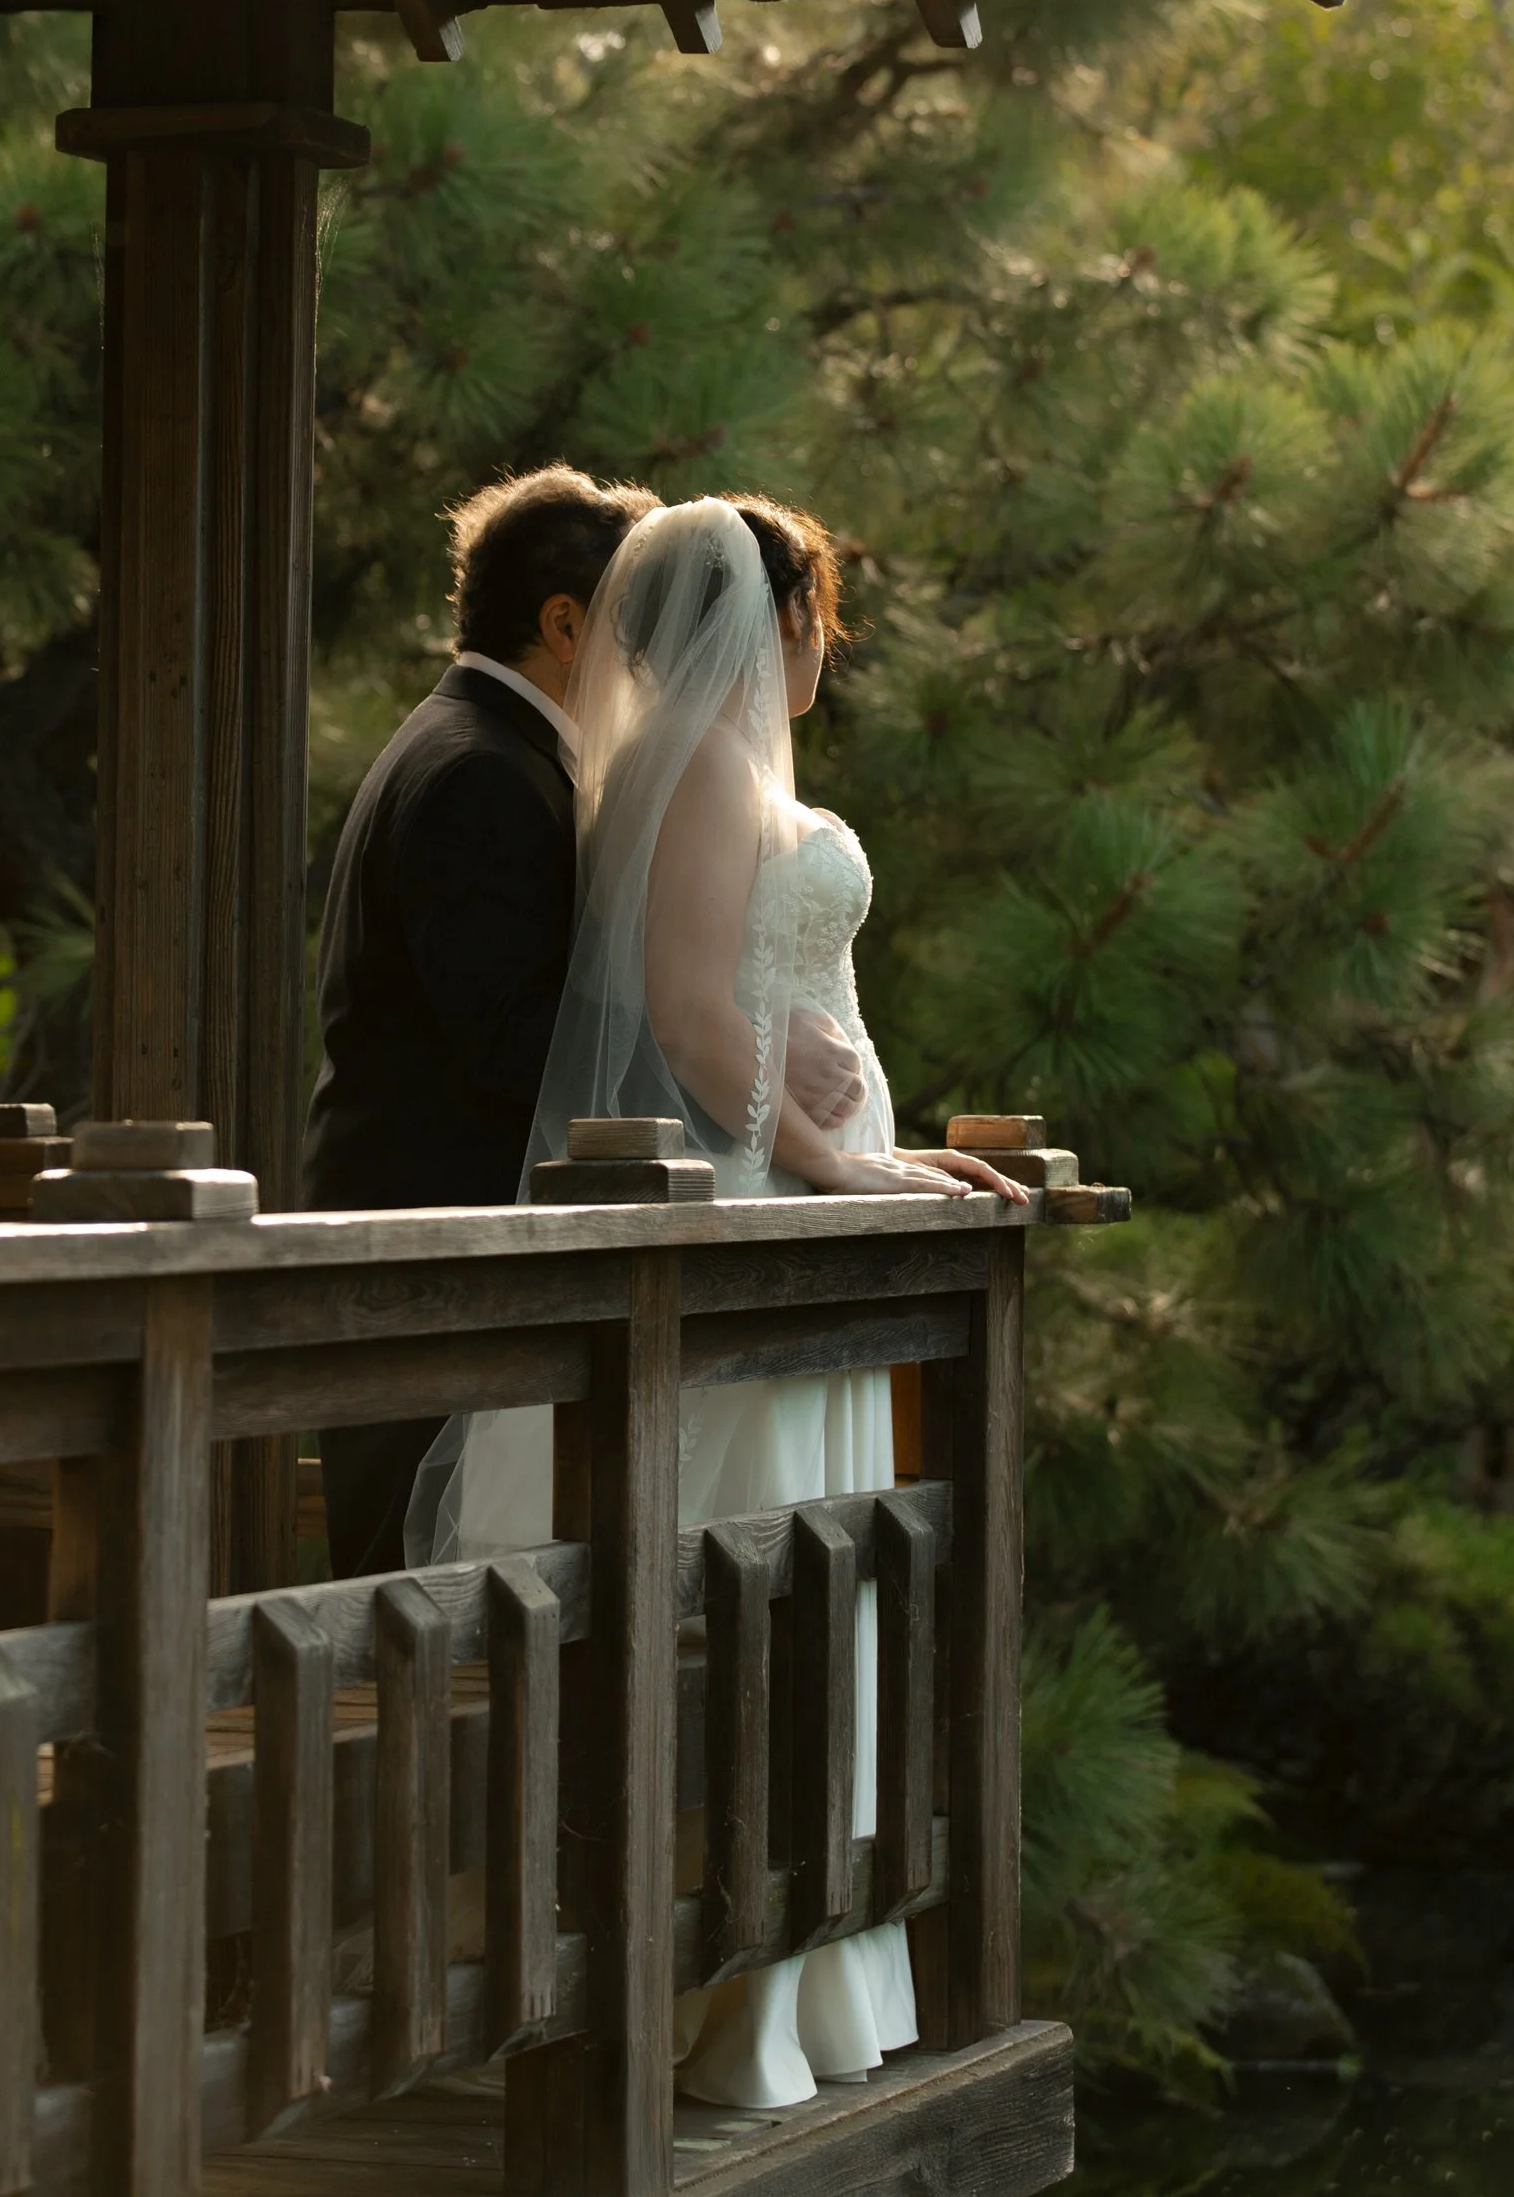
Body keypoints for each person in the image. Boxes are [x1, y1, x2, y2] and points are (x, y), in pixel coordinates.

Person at [418, 493, 1026, 2107]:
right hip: (760, 1235)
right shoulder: (691, 766)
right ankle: (713, 2003)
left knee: (819, 1594)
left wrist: (855, 1149)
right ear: (776, 617)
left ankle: (797, 1987)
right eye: (822, 607)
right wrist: (840, 1161)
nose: (830, 638)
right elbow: (692, 1018)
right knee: (760, 1603)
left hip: (797, 1216)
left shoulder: (732, 770)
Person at [303, 465, 876, 1581]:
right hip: (440, 1239)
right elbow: (514, 1033)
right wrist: (736, 1048)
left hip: (464, 1238)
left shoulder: (507, 757)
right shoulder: (476, 770)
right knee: (432, 1601)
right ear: (565, 622)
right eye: (626, 612)